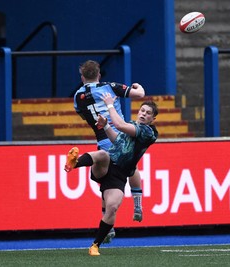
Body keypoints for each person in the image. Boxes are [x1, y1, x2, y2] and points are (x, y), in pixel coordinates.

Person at [64, 94, 159, 256]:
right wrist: (106, 126)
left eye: (148, 113)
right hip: (107, 166)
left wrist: (109, 105)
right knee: (103, 154)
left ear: (153, 119)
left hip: (119, 175)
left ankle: (95, 245)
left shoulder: (148, 132)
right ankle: (74, 163)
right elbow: (117, 140)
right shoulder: (132, 124)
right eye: (142, 110)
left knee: (112, 207)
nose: (143, 114)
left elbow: (120, 125)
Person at [74, 60, 145, 243]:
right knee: (131, 168)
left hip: (102, 140)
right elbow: (139, 94)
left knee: (106, 180)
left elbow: (83, 115)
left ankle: (109, 225)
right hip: (121, 136)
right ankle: (137, 205)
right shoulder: (109, 87)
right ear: (99, 74)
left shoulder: (77, 96)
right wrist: (137, 85)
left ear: (82, 77)